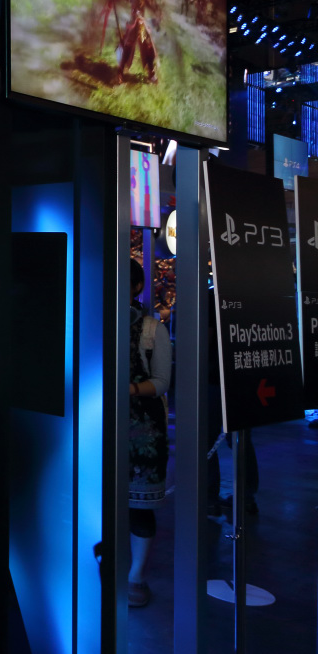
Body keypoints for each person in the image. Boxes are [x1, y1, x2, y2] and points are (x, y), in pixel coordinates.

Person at [128, 258, 171, 608]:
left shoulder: (152, 329)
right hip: (99, 423)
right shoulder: (92, 318)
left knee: (139, 507)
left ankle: (136, 576)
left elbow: (161, 382)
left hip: (142, 430)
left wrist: (129, 389)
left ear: (137, 287)